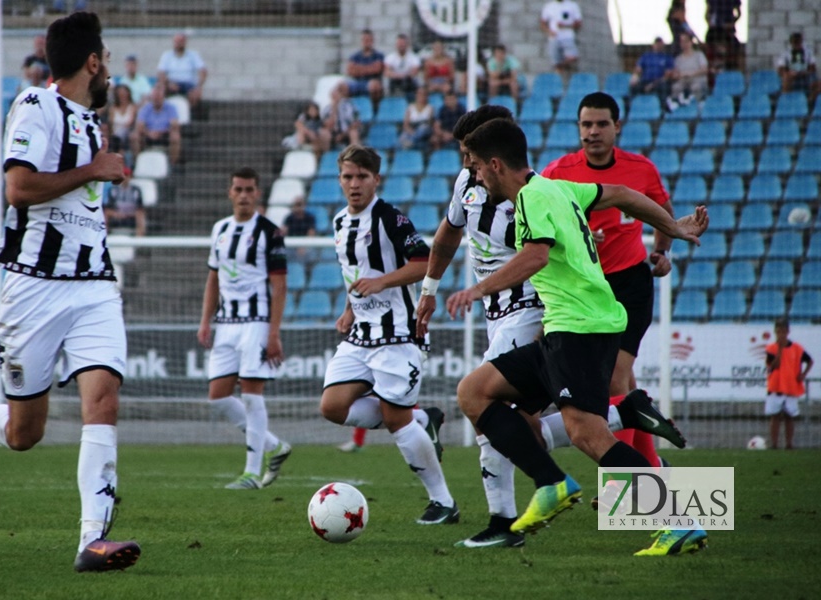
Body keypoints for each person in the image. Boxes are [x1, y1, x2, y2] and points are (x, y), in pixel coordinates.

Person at [0, 12, 141, 573]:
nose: (110, 70)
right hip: (33, 290)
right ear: (92, 62)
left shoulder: (90, 123)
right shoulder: (36, 106)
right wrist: (94, 169)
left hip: (93, 284)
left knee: (105, 400)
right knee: (26, 433)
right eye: (108, 60)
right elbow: (18, 188)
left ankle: (91, 539)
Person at [416, 104, 686, 549]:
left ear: (495, 161)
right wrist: (671, 225)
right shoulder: (553, 188)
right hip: (571, 326)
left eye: (477, 162)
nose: (473, 171)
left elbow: (537, 255)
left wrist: (476, 290)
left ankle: (518, 514)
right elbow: (618, 193)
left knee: (583, 433)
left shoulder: (533, 196)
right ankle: (572, 466)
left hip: (570, 325)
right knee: (483, 398)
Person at [321, 144, 457, 525]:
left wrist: (382, 282)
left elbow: (424, 263)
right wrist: (349, 308)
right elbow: (354, 275)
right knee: (332, 407)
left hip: (397, 334)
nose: (354, 184)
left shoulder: (390, 218)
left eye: (362, 177)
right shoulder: (338, 222)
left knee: (395, 421)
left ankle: (444, 502)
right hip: (361, 335)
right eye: (348, 177)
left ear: (376, 179)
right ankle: (419, 418)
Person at [542, 92, 676, 475]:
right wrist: (577, 234)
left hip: (630, 282)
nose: (593, 132)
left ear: (617, 127)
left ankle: (621, 479)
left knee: (615, 375)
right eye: (586, 125)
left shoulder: (641, 169)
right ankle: (651, 468)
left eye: (601, 124)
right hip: (586, 288)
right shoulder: (558, 172)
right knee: (626, 383)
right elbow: (544, 223)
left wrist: (661, 251)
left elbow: (662, 212)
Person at [198, 167, 293, 490]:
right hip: (226, 324)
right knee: (218, 397)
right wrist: (205, 320)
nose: (243, 195)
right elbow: (213, 279)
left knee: (252, 395)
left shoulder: (270, 232)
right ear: (230, 192)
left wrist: (274, 332)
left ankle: (252, 473)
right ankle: (275, 447)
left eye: (249, 189)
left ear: (258, 193)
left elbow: (279, 286)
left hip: (256, 322)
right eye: (238, 189)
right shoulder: (220, 230)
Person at [765, 319, 813, 450]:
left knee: (789, 417)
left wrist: (803, 374)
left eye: (783, 332)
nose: (781, 334)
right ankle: (774, 444)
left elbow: (810, 361)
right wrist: (780, 350)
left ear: (788, 331)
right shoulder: (771, 348)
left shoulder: (797, 348)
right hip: (775, 387)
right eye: (778, 332)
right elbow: (773, 366)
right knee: (775, 416)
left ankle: (789, 444)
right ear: (775, 332)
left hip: (791, 387)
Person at [131, 83, 182, 166]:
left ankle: (173, 164)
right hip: (148, 135)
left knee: (175, 137)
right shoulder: (145, 108)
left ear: (163, 97)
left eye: (159, 97)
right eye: (155, 97)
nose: (157, 99)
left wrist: (160, 132)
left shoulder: (171, 108)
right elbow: (139, 126)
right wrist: (149, 133)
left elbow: (175, 126)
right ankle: (137, 162)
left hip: (164, 135)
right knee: (134, 136)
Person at [157, 33, 207, 109]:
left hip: (188, 85)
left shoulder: (193, 55)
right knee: (160, 89)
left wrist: (198, 87)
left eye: (181, 41)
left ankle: (189, 117)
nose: (178, 43)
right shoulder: (166, 55)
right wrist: (168, 83)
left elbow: (203, 71)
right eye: (176, 41)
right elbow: (161, 73)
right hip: (171, 83)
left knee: (194, 95)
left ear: (185, 42)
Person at [540, 0, 583, 75]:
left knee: (573, 57)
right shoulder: (549, 6)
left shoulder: (572, 5)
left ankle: (562, 67)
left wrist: (565, 26)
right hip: (554, 38)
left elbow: (579, 24)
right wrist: (549, 31)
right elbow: (543, 23)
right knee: (556, 62)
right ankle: (559, 77)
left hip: (567, 37)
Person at [777, 32, 821, 102]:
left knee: (818, 84)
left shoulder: (808, 52)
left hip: (806, 76)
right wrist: (790, 73)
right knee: (786, 77)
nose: (797, 44)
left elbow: (813, 67)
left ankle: (810, 100)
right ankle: (786, 101)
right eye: (795, 42)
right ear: (791, 42)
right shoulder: (785, 53)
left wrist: (805, 71)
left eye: (799, 42)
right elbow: (780, 70)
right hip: (792, 77)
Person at [669, 32, 710, 108]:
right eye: (681, 42)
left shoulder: (699, 55)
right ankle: (676, 106)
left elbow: (705, 70)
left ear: (691, 42)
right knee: (676, 87)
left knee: (696, 87)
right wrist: (676, 75)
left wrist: (691, 74)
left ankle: (699, 106)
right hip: (683, 81)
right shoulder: (678, 59)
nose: (683, 44)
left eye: (686, 41)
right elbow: (675, 73)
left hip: (697, 80)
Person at [346, 29, 385, 107]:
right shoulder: (355, 56)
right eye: (364, 40)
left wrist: (358, 69)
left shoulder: (378, 56)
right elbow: (350, 71)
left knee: (374, 86)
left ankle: (373, 111)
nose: (366, 42)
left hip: (373, 83)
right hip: (357, 83)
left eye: (368, 40)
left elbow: (377, 69)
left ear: (372, 41)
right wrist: (370, 68)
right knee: (340, 87)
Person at [629, 37, 675, 101]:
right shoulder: (646, 56)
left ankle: (662, 109)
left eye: (660, 44)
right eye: (657, 44)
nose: (658, 46)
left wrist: (652, 85)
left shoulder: (667, 57)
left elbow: (667, 76)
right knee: (634, 87)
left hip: (659, 82)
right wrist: (635, 76)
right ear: (653, 45)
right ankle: (630, 108)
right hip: (645, 81)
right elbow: (638, 69)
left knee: (664, 88)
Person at [104, 167, 146, 236]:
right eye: (123, 176)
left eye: (127, 175)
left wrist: (131, 213)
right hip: (117, 215)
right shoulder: (113, 190)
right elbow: (109, 208)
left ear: (130, 177)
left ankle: (139, 239)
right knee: (105, 213)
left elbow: (140, 208)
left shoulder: (136, 190)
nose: (125, 178)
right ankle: (105, 236)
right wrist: (116, 214)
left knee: (140, 215)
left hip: (132, 215)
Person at [321, 81, 362, 149]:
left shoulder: (350, 106)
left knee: (353, 133)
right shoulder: (327, 109)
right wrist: (334, 109)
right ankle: (323, 157)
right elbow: (327, 125)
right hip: (333, 134)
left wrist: (343, 135)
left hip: (347, 132)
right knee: (324, 133)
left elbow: (356, 123)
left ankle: (354, 155)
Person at [384, 33, 421, 97]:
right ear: (396, 44)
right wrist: (399, 76)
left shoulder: (414, 57)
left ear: (407, 44)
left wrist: (404, 76)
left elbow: (415, 72)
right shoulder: (390, 57)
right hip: (395, 80)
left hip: (409, 81)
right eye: (399, 43)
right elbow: (387, 72)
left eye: (403, 43)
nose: (401, 45)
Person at [107, 83, 137, 155]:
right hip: (114, 135)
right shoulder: (112, 108)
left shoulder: (133, 107)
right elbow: (110, 123)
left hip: (126, 135)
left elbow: (131, 122)